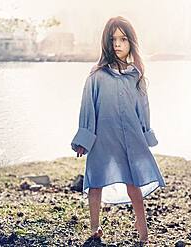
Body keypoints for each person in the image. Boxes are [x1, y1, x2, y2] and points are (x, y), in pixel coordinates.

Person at [71, 16, 166, 245]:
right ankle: (95, 227)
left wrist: (146, 134)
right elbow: (88, 106)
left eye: (123, 39)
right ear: (106, 42)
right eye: (113, 39)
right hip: (102, 138)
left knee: (134, 183)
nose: (117, 44)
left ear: (131, 41)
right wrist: (84, 137)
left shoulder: (136, 76)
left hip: (130, 138)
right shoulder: (97, 75)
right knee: (95, 182)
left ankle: (142, 230)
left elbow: (143, 107)